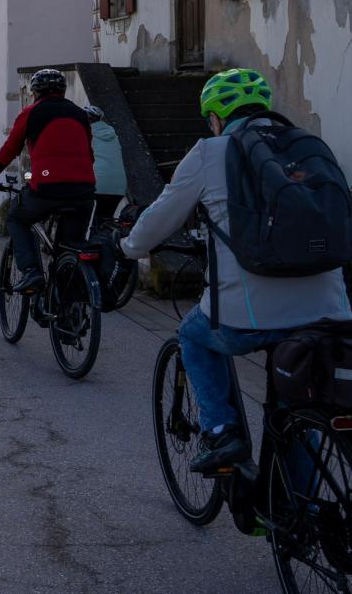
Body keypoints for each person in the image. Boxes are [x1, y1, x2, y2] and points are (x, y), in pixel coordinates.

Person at [119, 69, 352, 472]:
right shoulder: (310, 146)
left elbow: (160, 217)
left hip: (248, 318)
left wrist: (129, 247)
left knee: (193, 335)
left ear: (216, 118)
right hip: (329, 312)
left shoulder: (210, 152)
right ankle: (308, 520)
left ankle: (221, 431)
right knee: (295, 404)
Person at [0, 69, 96, 293]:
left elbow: (10, 149)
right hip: (84, 191)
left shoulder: (31, 112)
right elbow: (89, 155)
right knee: (70, 246)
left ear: (34, 93)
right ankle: (71, 306)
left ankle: (31, 271)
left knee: (16, 217)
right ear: (63, 91)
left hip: (47, 188)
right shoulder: (80, 114)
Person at [85, 104, 127, 221]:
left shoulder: (85, 134)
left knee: (78, 214)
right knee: (104, 221)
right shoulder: (113, 134)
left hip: (98, 182)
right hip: (119, 185)